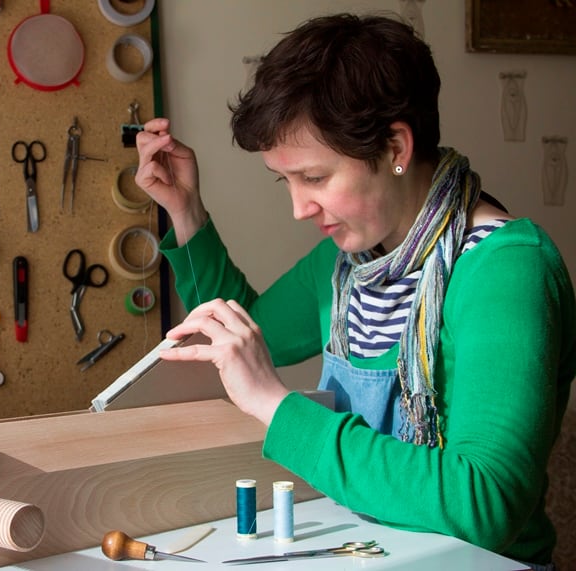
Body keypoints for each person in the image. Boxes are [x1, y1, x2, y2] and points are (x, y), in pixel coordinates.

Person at [134, 12, 575, 571]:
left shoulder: (506, 268)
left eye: (315, 178)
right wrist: (184, 208)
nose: (298, 208)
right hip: (369, 552)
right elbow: (242, 332)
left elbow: (485, 502)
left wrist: (275, 404)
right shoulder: (346, 264)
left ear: (394, 146)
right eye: (285, 181)